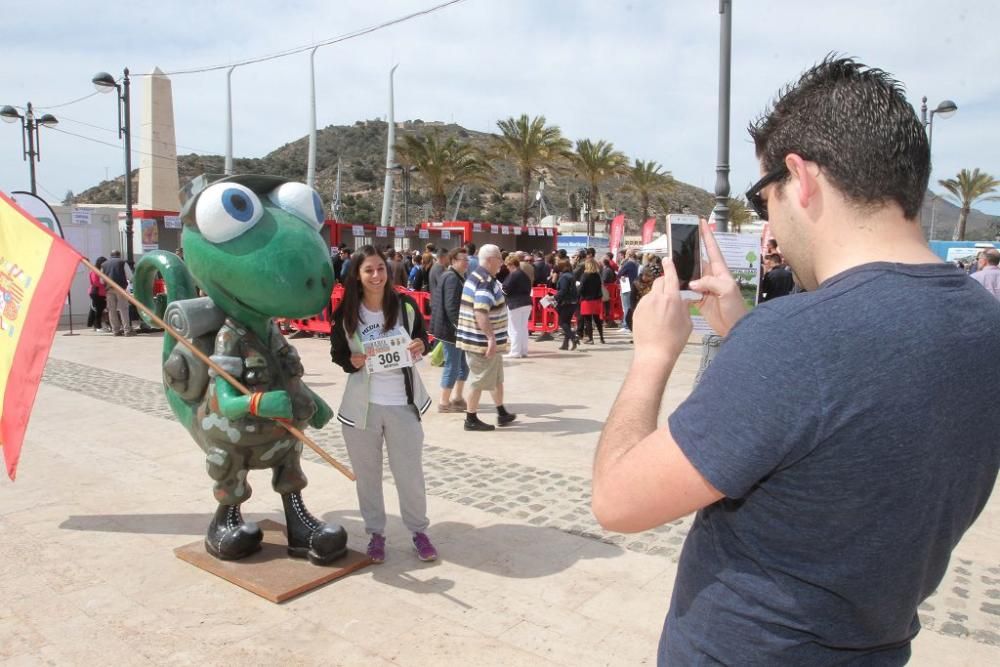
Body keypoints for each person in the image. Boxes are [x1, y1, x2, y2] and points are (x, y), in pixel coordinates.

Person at [591, 56, 1000, 665]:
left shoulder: (798, 340)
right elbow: (848, 421)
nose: (772, 224)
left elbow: (617, 499)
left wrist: (653, 354)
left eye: (764, 201)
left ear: (800, 177)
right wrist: (747, 334)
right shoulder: (983, 322)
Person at [329, 245, 437, 564]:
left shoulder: (404, 305)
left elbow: (423, 340)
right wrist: (353, 360)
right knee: (368, 475)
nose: (376, 275)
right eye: (369, 270)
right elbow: (339, 356)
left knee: (410, 474)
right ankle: (376, 533)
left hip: (402, 403)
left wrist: (421, 345)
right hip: (363, 408)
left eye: (381, 269)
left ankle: (418, 531)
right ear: (358, 275)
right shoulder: (347, 312)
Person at [455, 244, 516, 431]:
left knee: (496, 378)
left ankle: (501, 411)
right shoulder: (485, 281)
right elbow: (481, 312)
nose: (502, 263)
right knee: (479, 379)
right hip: (481, 342)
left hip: (482, 340)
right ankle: (470, 418)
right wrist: (490, 338)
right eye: (499, 259)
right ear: (490, 260)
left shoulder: (477, 276)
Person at [431, 248, 470, 412]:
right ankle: (444, 402)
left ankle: (457, 397)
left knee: (463, 366)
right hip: (450, 330)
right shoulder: (452, 278)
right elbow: (451, 306)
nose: (467, 262)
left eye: (468, 259)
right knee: (453, 365)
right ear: (453, 260)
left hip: (453, 328)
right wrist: (458, 327)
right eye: (463, 259)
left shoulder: (457, 276)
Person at [502, 253, 532, 358]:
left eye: (507, 265)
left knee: (513, 329)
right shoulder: (524, 275)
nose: (506, 267)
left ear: (511, 264)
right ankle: (523, 351)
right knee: (523, 328)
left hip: (515, 304)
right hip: (527, 303)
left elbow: (505, 289)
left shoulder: (513, 275)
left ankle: (515, 352)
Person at [102, 250, 133, 336]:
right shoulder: (122, 262)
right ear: (119, 255)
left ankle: (115, 330)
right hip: (120, 288)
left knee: (112, 310)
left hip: (109, 289)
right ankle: (127, 330)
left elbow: (101, 280)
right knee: (123, 309)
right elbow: (130, 276)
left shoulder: (104, 265)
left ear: (110, 255)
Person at [552, 258, 580, 351]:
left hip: (565, 302)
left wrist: (553, 298)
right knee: (567, 323)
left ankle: (573, 338)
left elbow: (563, 290)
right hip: (573, 302)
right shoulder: (571, 275)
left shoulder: (564, 277)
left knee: (562, 322)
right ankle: (565, 344)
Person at [576, 258, 605, 344]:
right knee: (597, 319)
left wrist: (577, 292)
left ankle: (590, 338)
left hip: (586, 300)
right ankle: (601, 338)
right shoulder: (597, 275)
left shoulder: (585, 275)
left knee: (588, 319)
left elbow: (581, 288)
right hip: (596, 299)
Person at [617, 249, 639, 333]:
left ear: (629, 255)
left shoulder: (628, 263)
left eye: (626, 254)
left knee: (626, 306)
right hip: (634, 286)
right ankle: (629, 324)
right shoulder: (637, 264)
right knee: (630, 306)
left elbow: (619, 273)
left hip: (626, 286)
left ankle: (626, 325)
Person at [87, 256, 109, 332]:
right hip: (96, 292)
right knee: (99, 310)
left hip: (99, 292)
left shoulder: (99, 270)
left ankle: (93, 325)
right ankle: (98, 326)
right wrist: (105, 283)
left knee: (95, 309)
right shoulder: (95, 271)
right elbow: (96, 282)